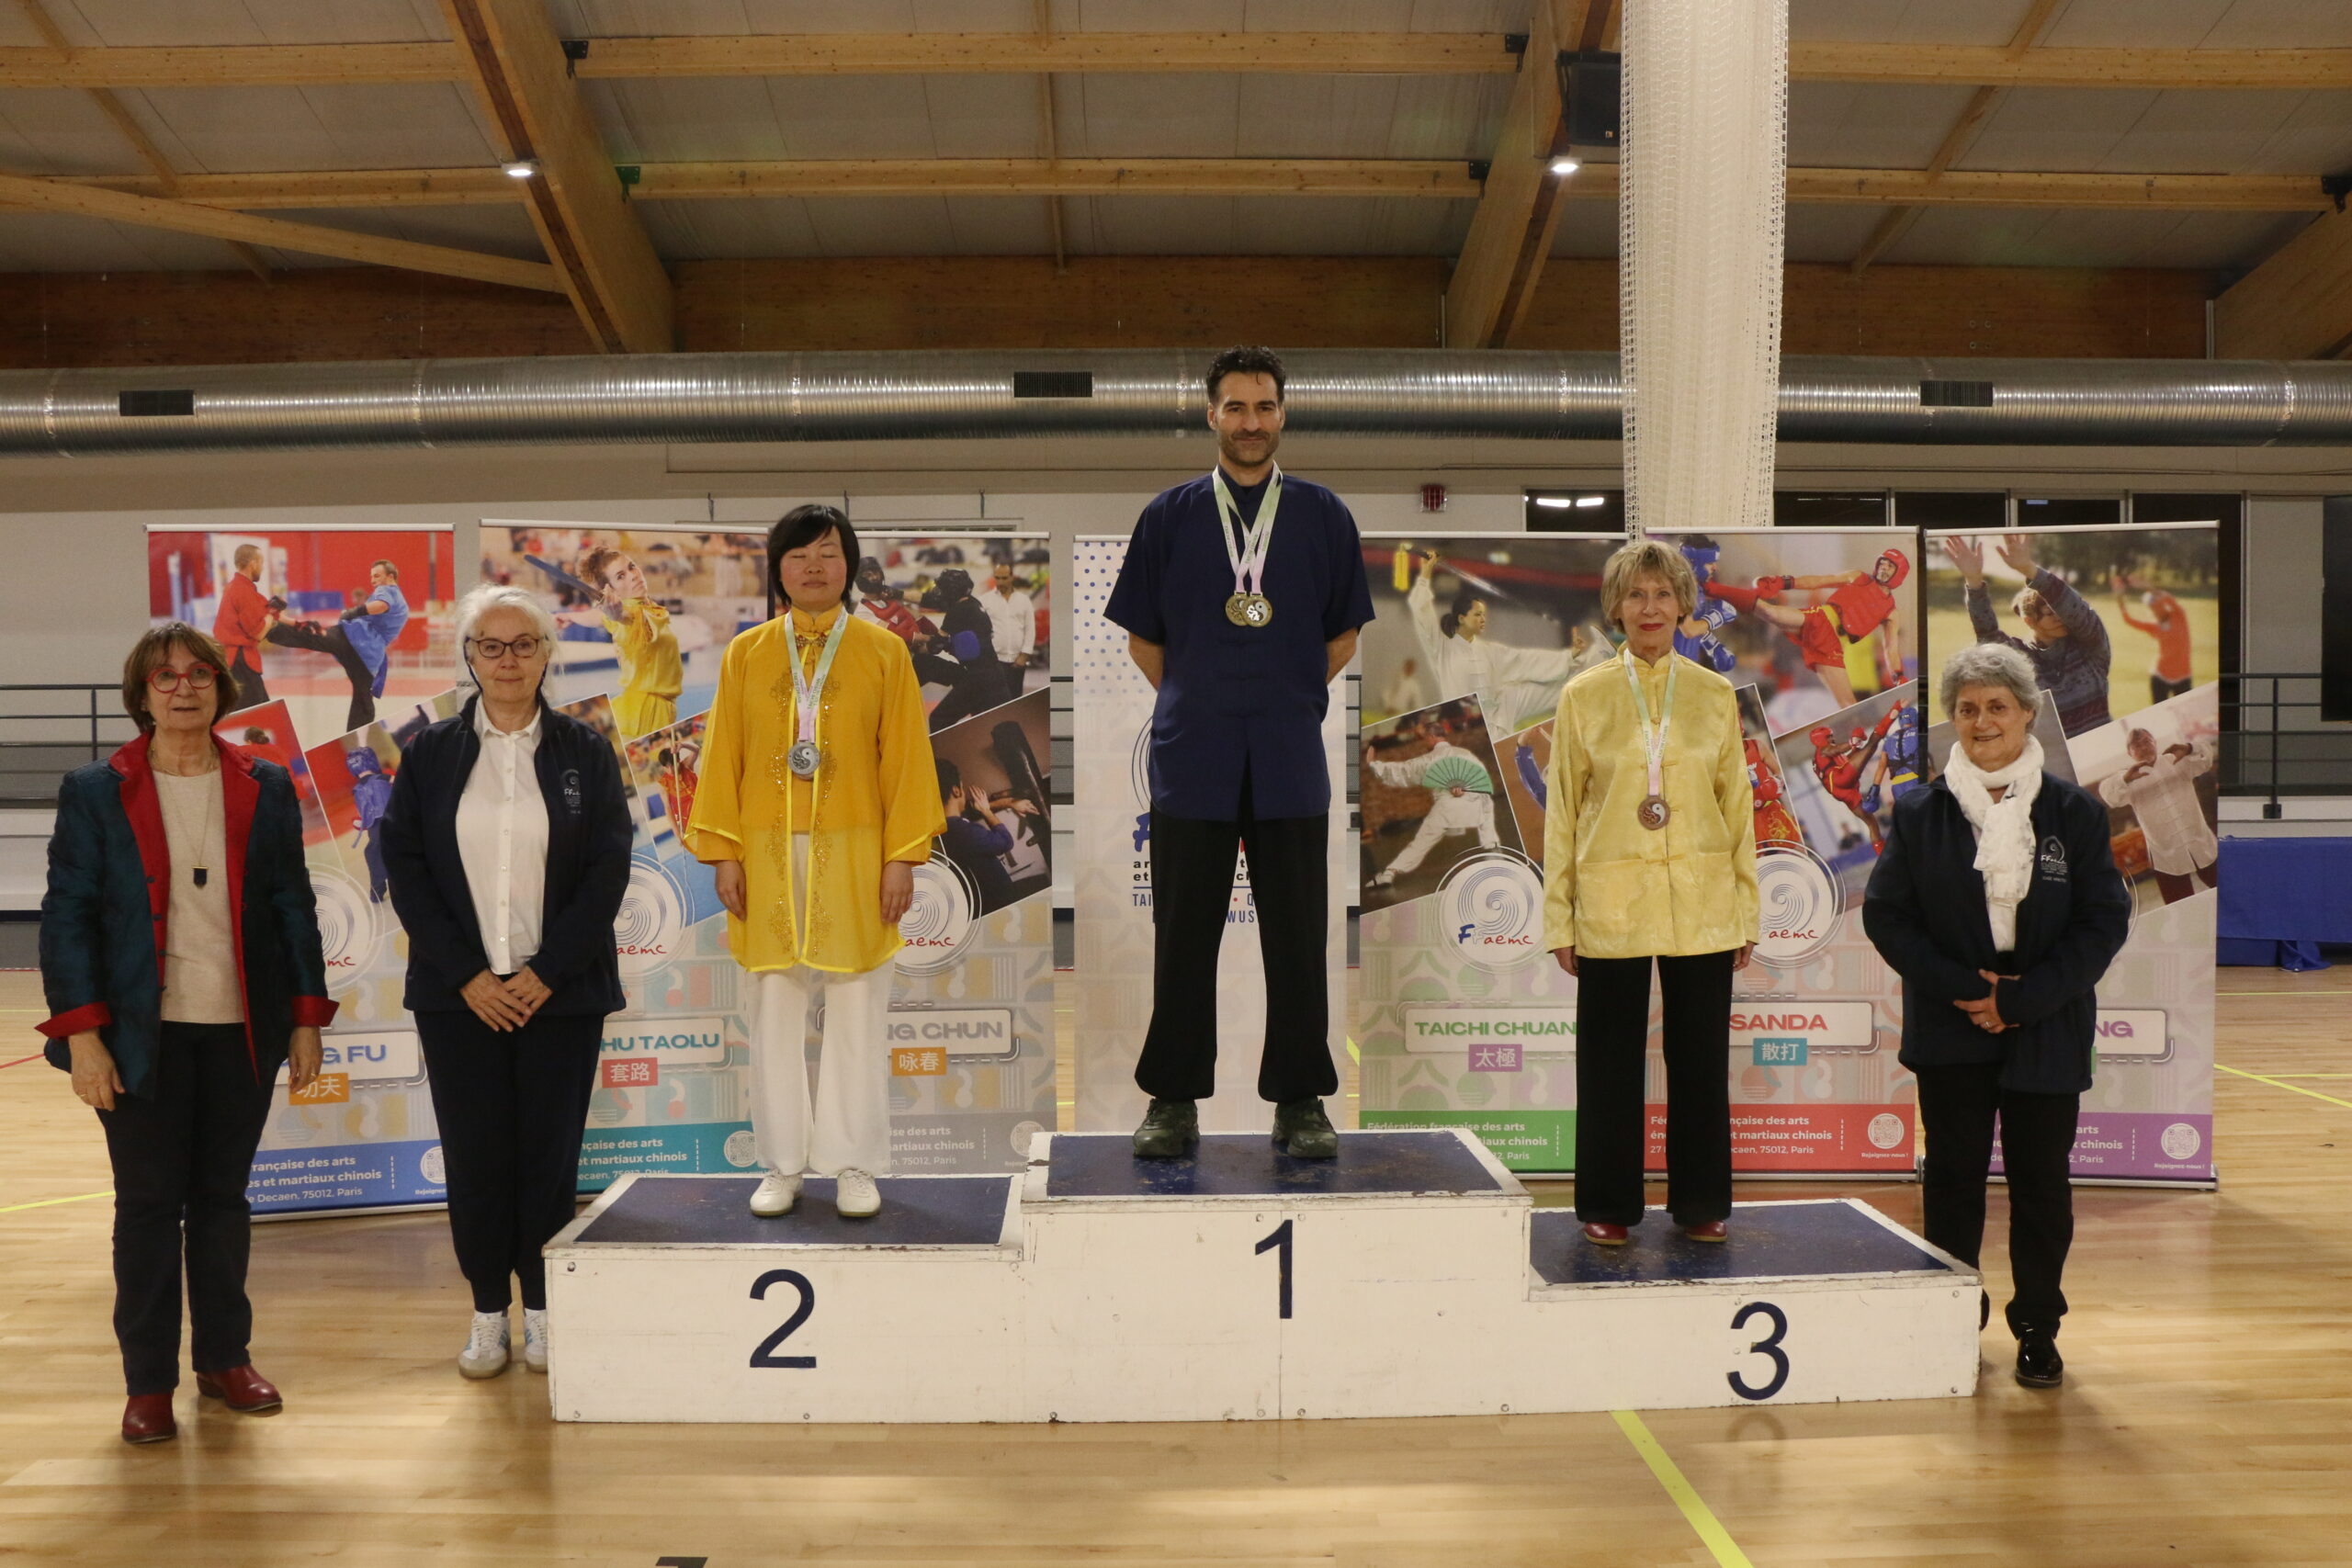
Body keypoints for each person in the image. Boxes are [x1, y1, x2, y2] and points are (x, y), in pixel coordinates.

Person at [37, 624, 333, 1444]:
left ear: (220, 689)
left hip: (242, 1030)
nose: (183, 688)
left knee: (222, 1201)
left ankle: (225, 1359)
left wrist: (306, 1018)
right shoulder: (95, 789)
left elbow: (293, 906)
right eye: (164, 677)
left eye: (199, 674)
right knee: (146, 1207)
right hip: (140, 1037)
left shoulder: (265, 783)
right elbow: (67, 918)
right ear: (142, 693)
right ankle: (148, 1382)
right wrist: (84, 1036)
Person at [1104, 344, 1374, 1160]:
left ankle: (1301, 1100)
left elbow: (1343, 634)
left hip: (1289, 758)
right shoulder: (1168, 517)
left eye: (1264, 406)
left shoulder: (1324, 515)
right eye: (1236, 407)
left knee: (1297, 938)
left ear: (1282, 413)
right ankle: (1172, 1099)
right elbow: (1144, 641)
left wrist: (1283, 695)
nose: (1250, 422)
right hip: (1194, 759)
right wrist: (1201, 698)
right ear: (1211, 414)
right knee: (1184, 938)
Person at [378, 585, 632, 1382]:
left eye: (524, 644)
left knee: (549, 1163)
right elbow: (406, 869)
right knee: (477, 1160)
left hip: (561, 998)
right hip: (460, 1002)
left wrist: (545, 973)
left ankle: (547, 1311)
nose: (508, 659)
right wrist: (468, 976)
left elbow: (608, 870)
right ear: (470, 657)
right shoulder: (431, 753)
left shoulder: (587, 750)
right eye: (491, 645)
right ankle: (489, 1310)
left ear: (546, 654)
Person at [1862, 643, 2130, 1389]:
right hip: (1952, 1026)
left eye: (1997, 706)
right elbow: (1887, 917)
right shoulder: (1921, 813)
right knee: (1952, 1181)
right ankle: (1954, 1314)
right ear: (1953, 719)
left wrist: (2018, 999)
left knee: (2042, 1186)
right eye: (1968, 708)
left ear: (2027, 713)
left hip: (2047, 1021)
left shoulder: (2075, 812)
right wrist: (1969, 991)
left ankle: (2038, 1326)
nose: (1982, 721)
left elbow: (2103, 923)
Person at [687, 505, 944, 1220]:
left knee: (857, 1009)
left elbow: (907, 760)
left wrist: (902, 857)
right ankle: (782, 1163)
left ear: (849, 565)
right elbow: (723, 755)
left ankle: (854, 1162)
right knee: (773, 1009)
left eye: (828, 553)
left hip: (857, 852)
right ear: (777, 569)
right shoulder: (746, 653)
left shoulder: (884, 653)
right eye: (798, 554)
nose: (813, 566)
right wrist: (725, 853)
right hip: (765, 855)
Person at [1543, 539, 1757, 1247]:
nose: (1650, 607)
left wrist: (1746, 909)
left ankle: (1700, 1201)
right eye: (1636, 593)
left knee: (1700, 1061)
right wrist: (1560, 917)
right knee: (1608, 1063)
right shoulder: (1583, 696)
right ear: (1616, 606)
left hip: (1704, 902)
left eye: (1663, 593)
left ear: (1683, 604)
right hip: (1611, 901)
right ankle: (1607, 1202)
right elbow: (1562, 814)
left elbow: (1738, 808)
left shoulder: (1715, 695)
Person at [1408, 549, 1605, 734]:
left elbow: (1524, 660)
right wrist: (1425, 575)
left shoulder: (1489, 650)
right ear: (1461, 618)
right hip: (1473, 724)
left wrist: (1569, 655)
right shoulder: (1442, 648)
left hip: (1499, 709)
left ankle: (1598, 659)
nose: (1483, 619)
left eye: (1483, 614)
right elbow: (1422, 614)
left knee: (1550, 688)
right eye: (1477, 614)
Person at [1944, 535, 2112, 738]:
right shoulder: (2019, 659)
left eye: (2062, 611)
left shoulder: (2090, 647)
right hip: (2050, 755)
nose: (2061, 617)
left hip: (2105, 750)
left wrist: (2028, 568)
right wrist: (1974, 581)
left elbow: (2077, 610)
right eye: (2050, 613)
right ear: (2030, 621)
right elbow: (1987, 635)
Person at [1746, 547, 1909, 709]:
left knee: (1850, 707)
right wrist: (1784, 582)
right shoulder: (1858, 577)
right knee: (1773, 614)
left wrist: (1898, 675)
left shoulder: (1891, 613)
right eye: (1882, 563)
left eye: (1889, 566)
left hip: (1836, 654)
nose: (1883, 567)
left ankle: (1743, 599)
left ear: (1899, 573)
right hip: (1822, 630)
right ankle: (1739, 597)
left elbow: (1890, 649)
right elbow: (1819, 581)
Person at [264, 558, 412, 732]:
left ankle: (271, 627)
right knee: (363, 701)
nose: (373, 581)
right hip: (369, 657)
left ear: (391, 577)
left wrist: (353, 612)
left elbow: (381, 605)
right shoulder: (401, 601)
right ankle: (358, 733)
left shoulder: (387, 590)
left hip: (356, 640)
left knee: (314, 636)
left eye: (377, 576)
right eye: (372, 577)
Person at [1363, 722, 1500, 888]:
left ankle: (1389, 874)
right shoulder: (1465, 754)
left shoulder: (1429, 759)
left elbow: (1404, 770)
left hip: (1447, 807)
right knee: (1486, 804)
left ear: (1432, 737)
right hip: (1474, 801)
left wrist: (1374, 765)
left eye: (1426, 739)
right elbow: (1480, 778)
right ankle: (1492, 849)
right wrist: (1465, 789)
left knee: (1421, 841)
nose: (1425, 743)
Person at [2099, 726, 2218, 903]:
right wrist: (2125, 779)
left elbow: (2206, 758)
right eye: (2137, 745)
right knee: (2179, 908)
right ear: (2129, 753)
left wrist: (2189, 748)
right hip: (2165, 856)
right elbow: (2108, 796)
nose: (2144, 747)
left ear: (2155, 743)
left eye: (2147, 741)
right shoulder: (2127, 778)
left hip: (2201, 842)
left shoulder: (2176, 761)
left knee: (2231, 892)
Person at [577, 545, 683, 737]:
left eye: (632, 567)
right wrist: (615, 614)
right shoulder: (632, 614)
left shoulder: (646, 606)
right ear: (612, 591)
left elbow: (598, 616)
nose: (633, 575)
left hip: (639, 709)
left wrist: (568, 617)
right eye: (620, 576)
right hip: (645, 715)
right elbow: (622, 616)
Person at [922, 568, 1008, 728]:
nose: (940, 593)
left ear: (951, 591)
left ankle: (941, 746)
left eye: (943, 589)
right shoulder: (973, 603)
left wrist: (915, 643)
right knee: (991, 723)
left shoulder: (957, 611)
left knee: (938, 718)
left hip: (978, 678)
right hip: (995, 674)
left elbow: (935, 646)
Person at [936, 758, 1018, 914]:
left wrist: (1009, 802)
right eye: (962, 786)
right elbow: (1005, 842)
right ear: (956, 791)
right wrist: (986, 811)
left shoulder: (944, 830)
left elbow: (967, 810)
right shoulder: (963, 830)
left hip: (980, 906)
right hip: (1000, 905)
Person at [211, 542, 274, 711]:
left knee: (259, 708)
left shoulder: (234, 587)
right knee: (255, 711)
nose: (262, 568)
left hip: (232, 659)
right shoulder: (243, 591)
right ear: (253, 563)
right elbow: (258, 633)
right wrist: (269, 618)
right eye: (261, 563)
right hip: (241, 660)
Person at [2114, 572, 2194, 705]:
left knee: (2186, 713)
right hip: (2160, 677)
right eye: (2152, 607)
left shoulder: (2179, 616)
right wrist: (2119, 597)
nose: (2156, 609)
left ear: (2162, 603)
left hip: (2183, 677)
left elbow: (2168, 598)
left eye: (2157, 604)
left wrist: (2147, 587)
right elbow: (2128, 619)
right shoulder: (2154, 627)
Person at [978, 557, 1037, 707]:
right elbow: (979, 631)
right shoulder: (984, 601)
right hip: (994, 661)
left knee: (1015, 702)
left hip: (1018, 660)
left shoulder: (1024, 600)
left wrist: (1024, 655)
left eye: (1004, 578)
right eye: (997, 578)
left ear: (1012, 577)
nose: (1000, 582)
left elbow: (1030, 629)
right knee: (993, 703)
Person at [344, 746, 394, 902]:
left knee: (375, 855)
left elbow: (362, 813)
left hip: (374, 827)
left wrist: (362, 822)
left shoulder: (356, 789)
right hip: (391, 820)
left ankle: (377, 891)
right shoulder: (383, 778)